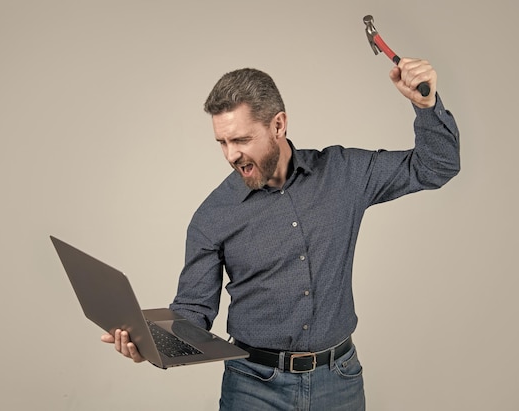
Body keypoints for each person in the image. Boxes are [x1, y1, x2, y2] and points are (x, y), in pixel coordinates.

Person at [102, 58, 460, 410]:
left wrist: (425, 106)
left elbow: (436, 166)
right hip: (253, 388)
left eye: (241, 139)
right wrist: (151, 344)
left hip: (340, 382)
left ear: (278, 125)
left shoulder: (343, 174)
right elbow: (193, 311)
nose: (231, 154)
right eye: (222, 142)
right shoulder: (211, 216)